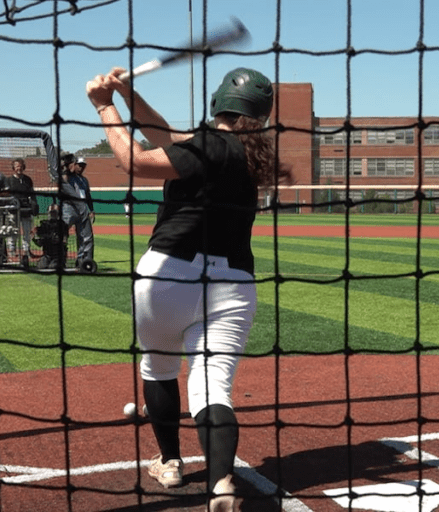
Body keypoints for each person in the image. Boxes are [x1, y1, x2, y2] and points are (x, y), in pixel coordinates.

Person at [87, 66, 290, 511]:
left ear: (218, 101)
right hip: (234, 283)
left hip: (169, 273)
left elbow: (136, 161)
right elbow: (165, 135)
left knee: (158, 366)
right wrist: (127, 92)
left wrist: (105, 107)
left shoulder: (206, 146)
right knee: (214, 389)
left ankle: (171, 461)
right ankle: (221, 485)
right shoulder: (250, 154)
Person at [59, 155, 94, 269]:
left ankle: (82, 259)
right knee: (63, 233)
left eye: (83, 166)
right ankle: (61, 258)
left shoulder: (84, 180)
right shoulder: (68, 176)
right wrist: (68, 169)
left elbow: (88, 195)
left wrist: (91, 210)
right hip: (69, 207)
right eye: (79, 165)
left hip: (82, 209)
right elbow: (63, 180)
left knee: (83, 235)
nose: (81, 168)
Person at [6, 158, 38, 262]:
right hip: (13, 209)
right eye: (16, 166)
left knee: (27, 231)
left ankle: (26, 250)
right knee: (13, 231)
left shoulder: (28, 180)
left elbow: (32, 194)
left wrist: (34, 204)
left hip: (26, 209)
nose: (18, 168)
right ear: (13, 168)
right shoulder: (9, 180)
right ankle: (11, 249)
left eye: (20, 166)